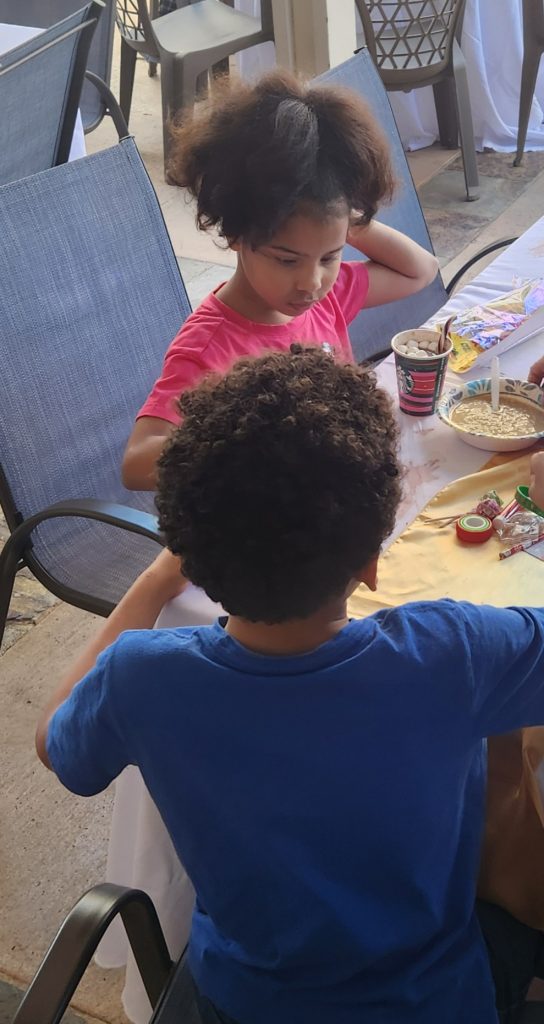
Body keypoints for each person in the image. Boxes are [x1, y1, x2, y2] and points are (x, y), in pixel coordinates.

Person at [38, 347, 544, 1024]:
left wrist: (157, 580)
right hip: (432, 998)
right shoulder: (453, 650)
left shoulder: (138, 677)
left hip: (242, 999)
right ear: (371, 561)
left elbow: (56, 745)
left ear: (194, 547)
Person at [121, 69, 438, 491]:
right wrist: (247, 437)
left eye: (330, 256)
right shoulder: (209, 348)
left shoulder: (328, 295)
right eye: (287, 260)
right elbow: (136, 465)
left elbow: (420, 270)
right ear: (236, 234)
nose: (311, 281)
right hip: (276, 529)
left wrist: (344, 214)